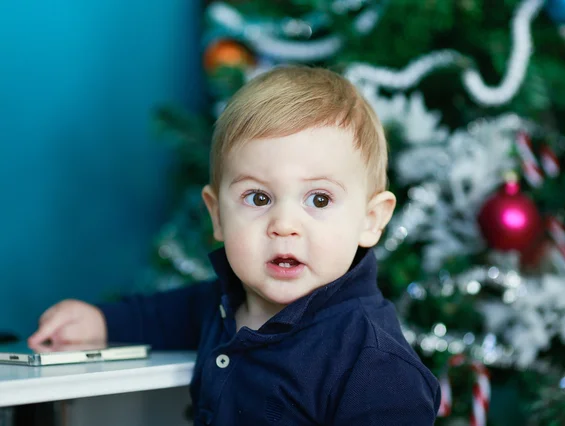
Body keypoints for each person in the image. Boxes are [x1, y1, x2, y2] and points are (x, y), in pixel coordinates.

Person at [28, 66, 441, 425]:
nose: (283, 225)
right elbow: (159, 316)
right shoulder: (223, 304)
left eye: (319, 199)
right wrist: (100, 322)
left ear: (371, 221)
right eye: (258, 198)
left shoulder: (374, 366)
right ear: (218, 215)